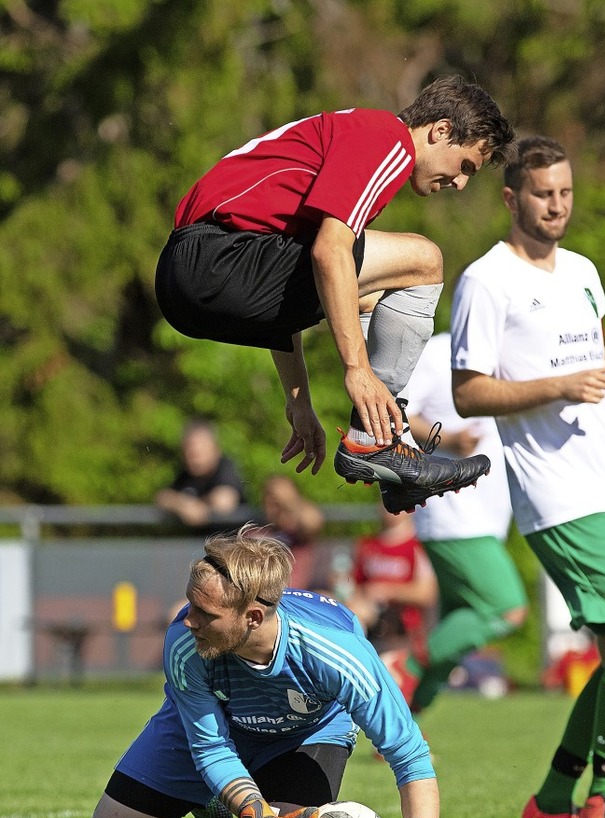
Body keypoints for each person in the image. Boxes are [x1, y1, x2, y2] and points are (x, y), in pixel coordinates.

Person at [155, 76, 516, 514]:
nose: (459, 184)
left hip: (187, 282)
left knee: (360, 294)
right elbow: (328, 251)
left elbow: (283, 284)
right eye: (465, 167)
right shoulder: (387, 141)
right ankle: (377, 439)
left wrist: (299, 401)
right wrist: (357, 369)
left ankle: (384, 447)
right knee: (423, 261)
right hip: (210, 262)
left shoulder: (355, 135)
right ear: (440, 131)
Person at [449, 135, 605, 818]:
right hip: (555, 494)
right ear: (511, 198)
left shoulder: (586, 272)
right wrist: (557, 385)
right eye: (542, 193)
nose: (556, 205)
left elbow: (593, 376)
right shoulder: (485, 281)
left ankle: (554, 796)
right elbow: (467, 393)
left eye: (564, 192)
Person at [86, 525, 441, 818]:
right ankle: (210, 795)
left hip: (306, 733)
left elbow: (406, 750)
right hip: (213, 728)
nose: (188, 619)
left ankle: (224, 790)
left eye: (205, 613)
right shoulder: (185, 641)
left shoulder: (337, 652)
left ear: (253, 617)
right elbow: (211, 747)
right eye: (191, 604)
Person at [399, 331, 528, 711]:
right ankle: (401, 666)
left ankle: (404, 733)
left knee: (460, 624)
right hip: (451, 511)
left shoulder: (509, 353)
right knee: (506, 608)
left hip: (484, 519)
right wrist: (449, 439)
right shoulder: (440, 351)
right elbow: (398, 412)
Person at [348, 506, 438, 704]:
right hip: (370, 618)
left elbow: (426, 593)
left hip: (403, 625)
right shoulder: (368, 544)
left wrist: (388, 590)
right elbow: (353, 585)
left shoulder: (417, 546)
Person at [155, 418, 247, 528]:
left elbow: (224, 502)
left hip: (231, 543)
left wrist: (198, 506)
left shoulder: (225, 467)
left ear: (214, 449)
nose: (192, 456)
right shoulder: (187, 473)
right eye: (188, 450)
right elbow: (162, 497)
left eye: (197, 451)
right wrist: (182, 505)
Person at [258, 474, 325, 589]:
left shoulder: (297, 530)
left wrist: (287, 504)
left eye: (277, 502)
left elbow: (313, 521)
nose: (273, 506)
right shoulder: (256, 530)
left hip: (296, 591)